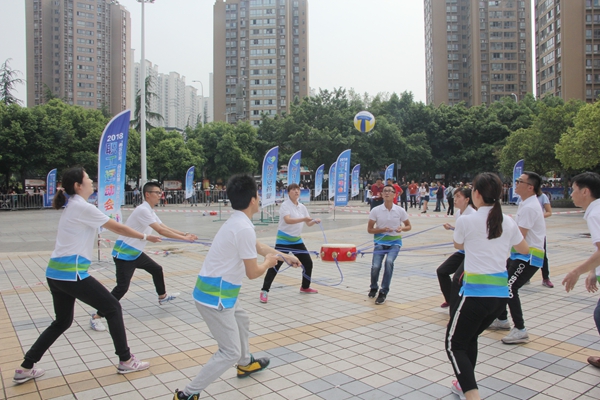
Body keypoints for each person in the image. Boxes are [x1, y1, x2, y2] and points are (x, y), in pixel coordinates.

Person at [12, 167, 161, 385]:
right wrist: (146, 237)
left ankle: (25, 368)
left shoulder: (74, 205)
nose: (92, 181)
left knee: (62, 322)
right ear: (78, 186)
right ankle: (126, 360)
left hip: (56, 273)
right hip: (71, 274)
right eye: (88, 178)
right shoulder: (82, 207)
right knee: (112, 307)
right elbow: (118, 228)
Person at [173, 174, 300, 400]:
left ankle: (245, 363)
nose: (259, 199)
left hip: (220, 292)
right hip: (216, 297)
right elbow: (253, 273)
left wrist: (284, 256)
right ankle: (187, 394)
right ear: (252, 200)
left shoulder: (238, 222)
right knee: (229, 351)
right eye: (258, 195)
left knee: (242, 320)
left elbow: (258, 246)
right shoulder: (243, 228)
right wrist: (268, 263)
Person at [447, 172, 528, 400]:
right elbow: (524, 249)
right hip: (499, 297)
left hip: (475, 296)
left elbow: (458, 243)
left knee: (454, 345)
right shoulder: (507, 221)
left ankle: (472, 394)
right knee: (469, 337)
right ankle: (463, 384)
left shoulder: (467, 220)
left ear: (476, 194)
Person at [89, 182, 198, 331]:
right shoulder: (143, 210)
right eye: (157, 193)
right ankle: (97, 316)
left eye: (160, 193)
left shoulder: (149, 210)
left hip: (135, 253)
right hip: (124, 254)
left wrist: (185, 234)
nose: (160, 195)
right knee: (122, 288)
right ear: (148, 194)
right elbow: (160, 231)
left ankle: (162, 296)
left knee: (156, 269)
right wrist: (184, 239)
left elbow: (164, 227)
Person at [487, 172, 546, 344]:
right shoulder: (525, 203)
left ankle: (520, 329)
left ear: (530, 187)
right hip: (519, 254)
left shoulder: (529, 207)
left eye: (520, 181)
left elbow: (520, 236)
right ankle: (502, 320)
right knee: (501, 282)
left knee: (510, 287)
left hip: (528, 256)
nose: (516, 183)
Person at [562, 172, 600, 369]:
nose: (571, 194)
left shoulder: (595, 214)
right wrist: (593, 271)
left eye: (573, 189)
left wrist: (576, 271)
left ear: (585, 191)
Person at [260, 183, 321, 303]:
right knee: (275, 265)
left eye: (298, 189)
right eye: (293, 190)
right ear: (288, 193)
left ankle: (305, 287)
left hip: (296, 240)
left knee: (308, 263)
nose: (296, 191)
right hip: (283, 240)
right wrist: (304, 219)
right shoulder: (285, 205)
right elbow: (287, 220)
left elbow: (308, 223)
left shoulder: (302, 207)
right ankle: (264, 290)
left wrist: (314, 221)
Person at [367, 184, 411, 305]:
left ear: (395, 194)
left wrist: (402, 228)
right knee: (375, 266)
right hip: (380, 242)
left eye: (390, 191)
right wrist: (381, 230)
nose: (387, 193)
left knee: (389, 262)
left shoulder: (400, 210)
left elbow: (408, 226)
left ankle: (383, 291)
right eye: (385, 191)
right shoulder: (375, 210)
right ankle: (373, 287)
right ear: (381, 194)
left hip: (395, 243)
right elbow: (370, 229)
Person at [436, 187, 476, 309]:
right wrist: (452, 228)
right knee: (442, 271)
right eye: (455, 196)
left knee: (457, 279)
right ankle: (450, 299)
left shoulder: (473, 215)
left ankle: (457, 303)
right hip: (462, 251)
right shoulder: (459, 213)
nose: (455, 199)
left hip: (471, 253)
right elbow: (461, 231)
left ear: (467, 199)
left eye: (458, 197)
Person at [538, 190, 554, 288]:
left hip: (539, 231)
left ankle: (546, 278)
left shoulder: (542, 196)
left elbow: (549, 212)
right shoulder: (522, 198)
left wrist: (538, 216)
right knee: (525, 253)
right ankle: (525, 277)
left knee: (543, 255)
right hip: (527, 229)